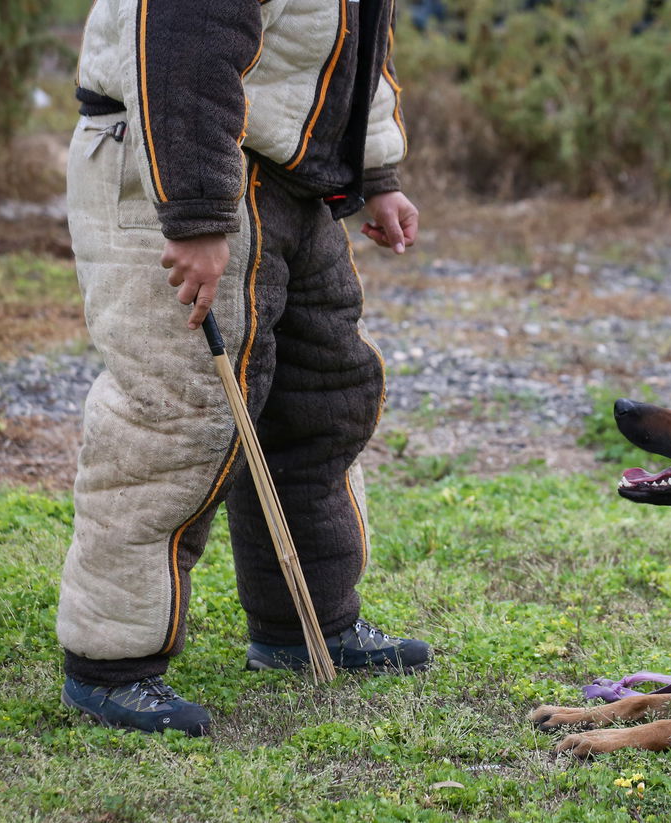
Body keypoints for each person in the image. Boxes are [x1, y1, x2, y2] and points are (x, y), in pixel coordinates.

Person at [57, 0, 428, 737]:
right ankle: (111, 664)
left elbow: (358, 40)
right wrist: (195, 215)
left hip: (289, 179)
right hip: (175, 166)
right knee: (178, 419)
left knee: (321, 400)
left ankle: (305, 627)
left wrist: (377, 170)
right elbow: (184, 43)